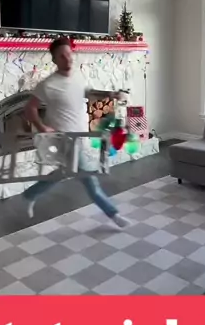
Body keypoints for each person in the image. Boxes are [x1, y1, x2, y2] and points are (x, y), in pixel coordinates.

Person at [22, 36, 130, 228]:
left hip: (81, 135)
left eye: (69, 54)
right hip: (64, 139)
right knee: (89, 179)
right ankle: (113, 214)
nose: (67, 59)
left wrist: (111, 94)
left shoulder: (78, 76)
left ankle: (30, 194)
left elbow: (88, 92)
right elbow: (30, 108)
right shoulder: (48, 84)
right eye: (62, 56)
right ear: (55, 60)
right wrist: (41, 127)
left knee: (64, 173)